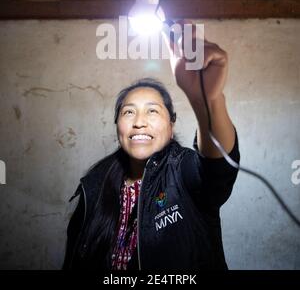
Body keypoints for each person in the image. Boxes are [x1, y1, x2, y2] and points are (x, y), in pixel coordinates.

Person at [63, 20, 240, 271]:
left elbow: (217, 168)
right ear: (117, 125)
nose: (139, 123)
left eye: (153, 111)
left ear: (171, 124)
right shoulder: (93, 184)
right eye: (128, 112)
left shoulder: (184, 172)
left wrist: (206, 102)